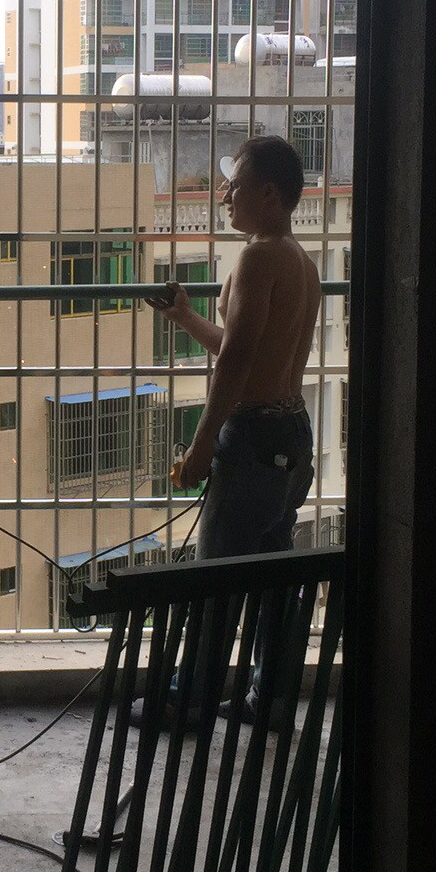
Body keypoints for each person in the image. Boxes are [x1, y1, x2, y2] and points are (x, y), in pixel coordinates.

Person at [137, 134, 320, 729]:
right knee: (270, 575)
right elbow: (252, 351)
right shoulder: (302, 261)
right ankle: (271, 699)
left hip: (253, 438)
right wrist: (188, 317)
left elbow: (237, 364)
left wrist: (198, 448)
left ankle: (187, 699)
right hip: (291, 435)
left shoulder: (258, 258)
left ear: (268, 194)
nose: (223, 195)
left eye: (234, 186)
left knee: (215, 579)